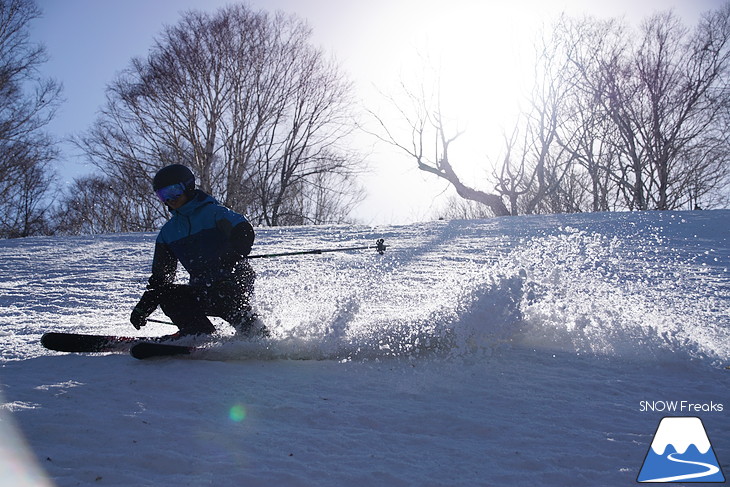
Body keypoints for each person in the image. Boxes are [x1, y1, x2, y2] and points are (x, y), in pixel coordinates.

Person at [130, 164, 265, 338]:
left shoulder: (214, 213)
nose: (170, 199)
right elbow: (161, 278)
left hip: (233, 282)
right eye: (163, 195)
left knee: (226, 299)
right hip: (203, 288)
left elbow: (243, 230)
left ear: (188, 186)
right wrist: (144, 306)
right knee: (170, 296)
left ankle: (258, 336)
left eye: (174, 191)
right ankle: (199, 334)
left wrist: (232, 254)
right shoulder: (168, 233)